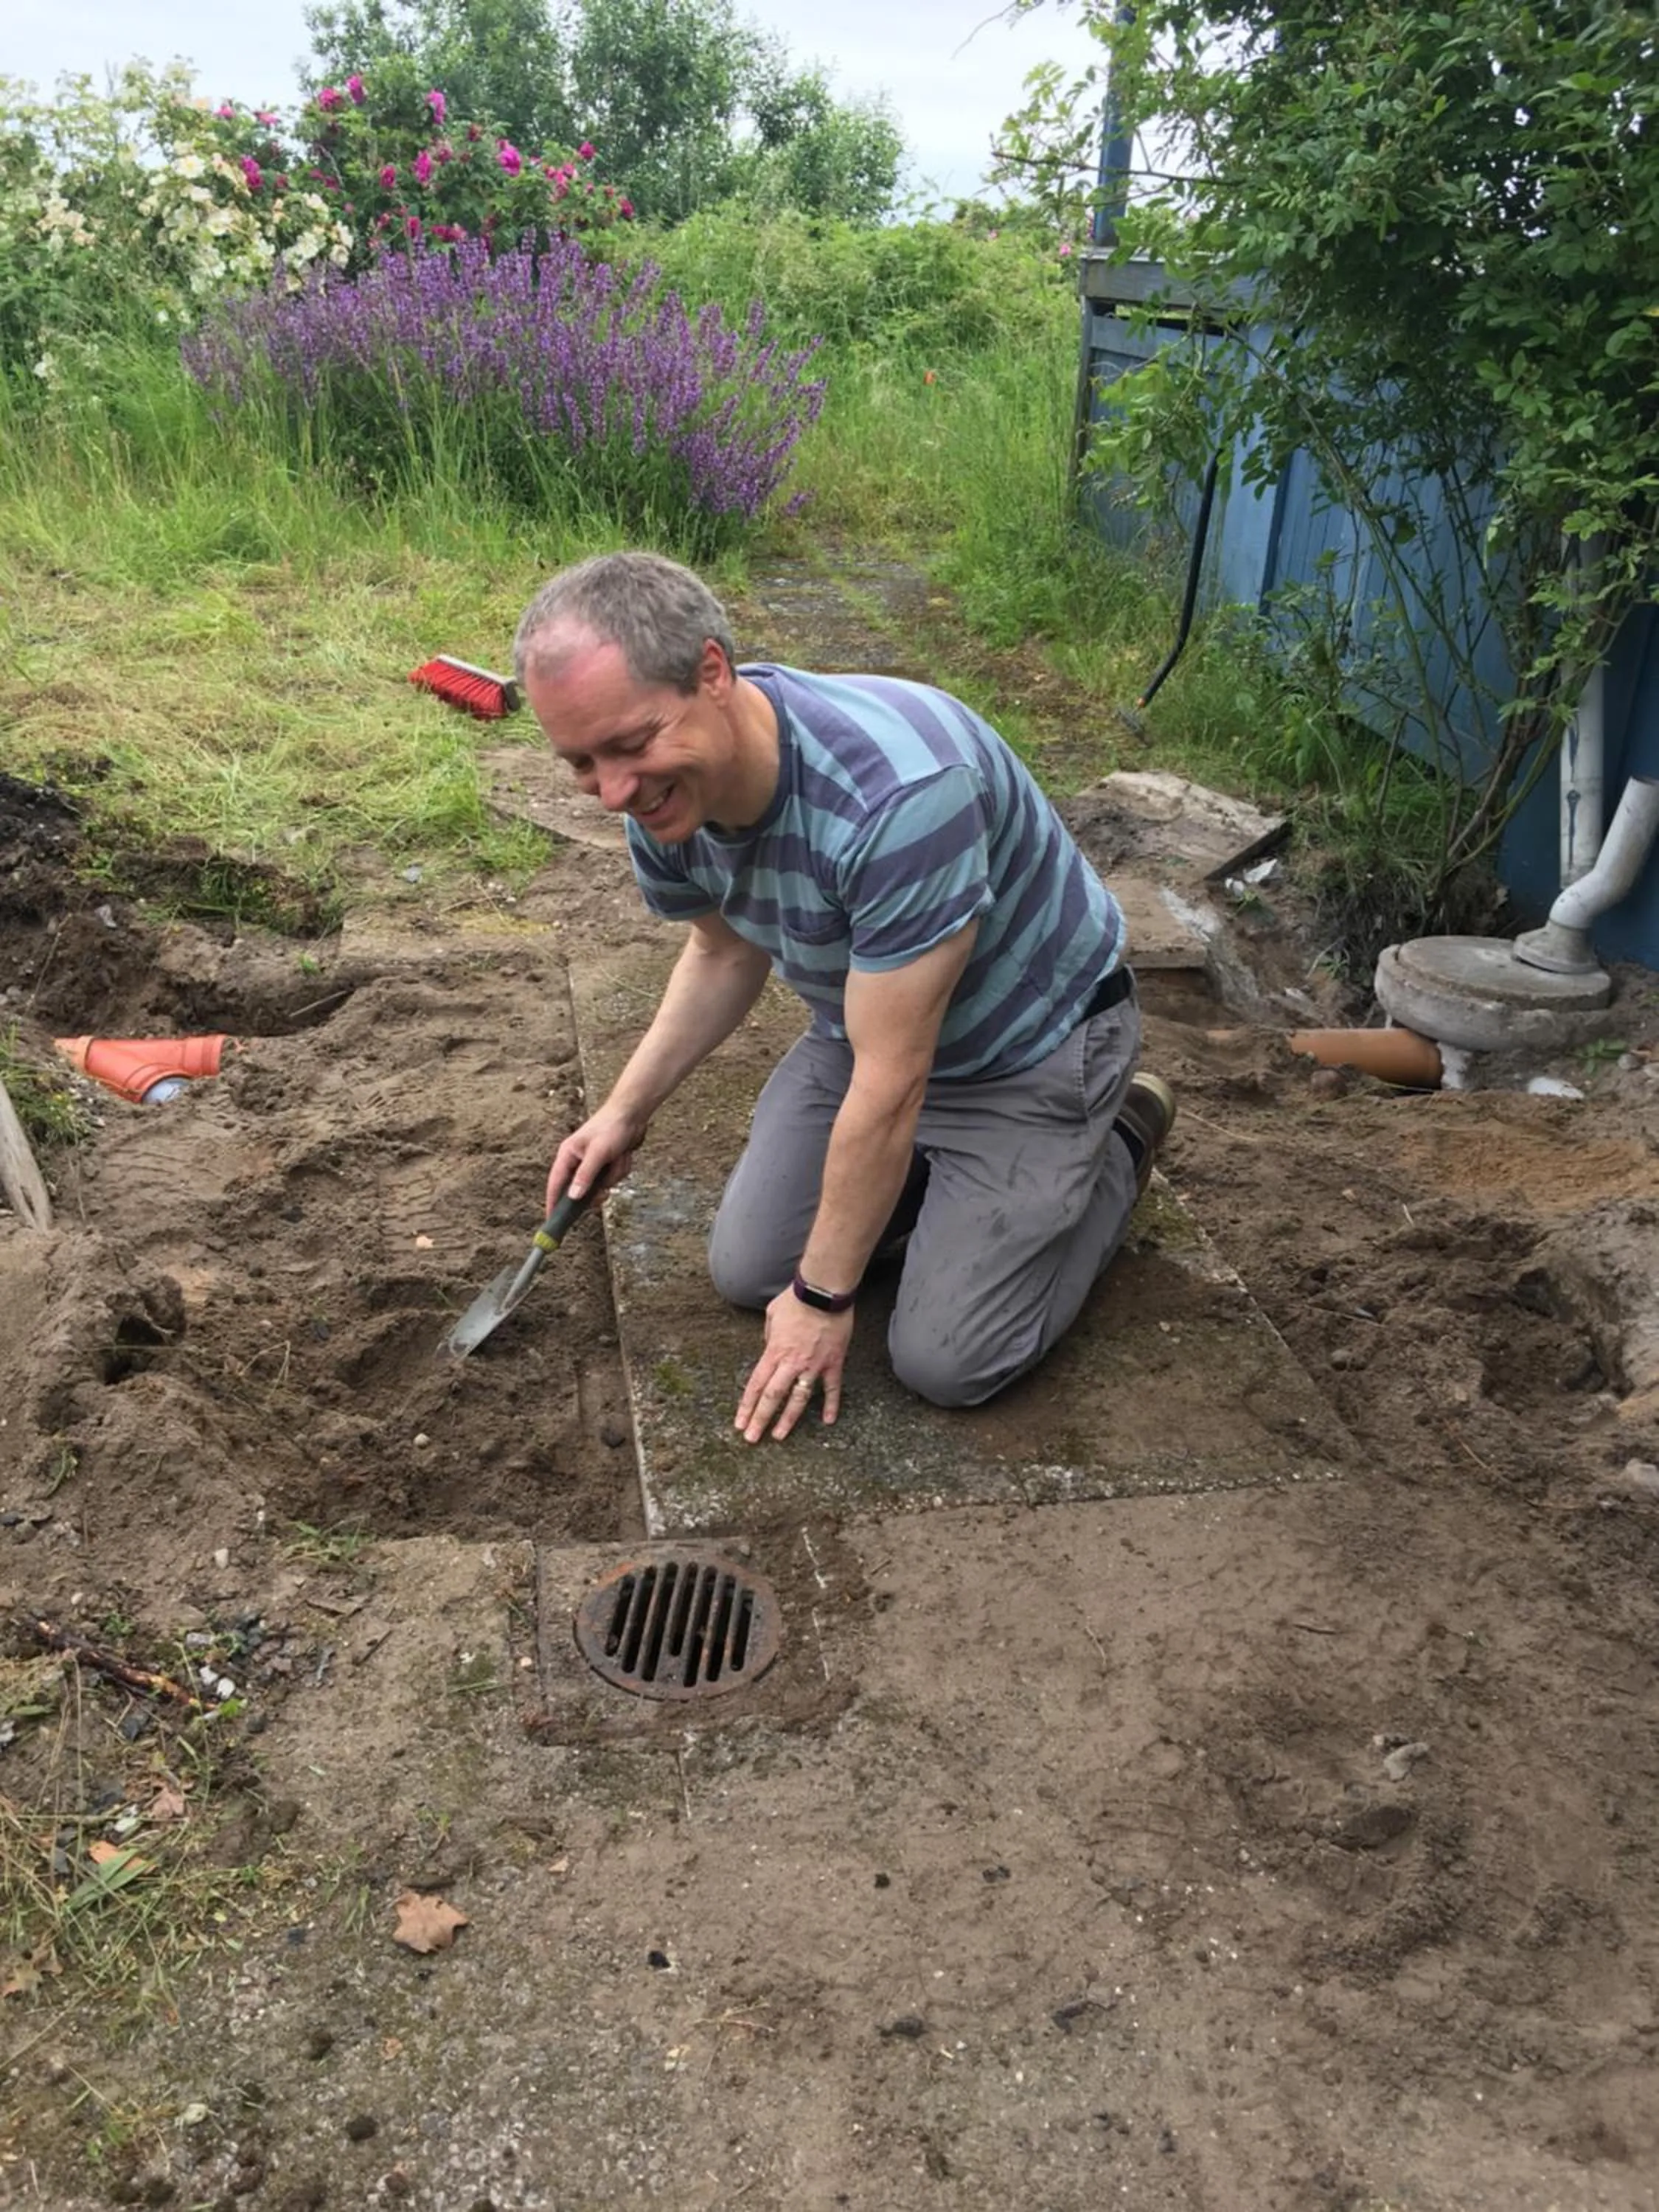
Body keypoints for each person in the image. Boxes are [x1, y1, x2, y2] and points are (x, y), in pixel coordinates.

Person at [515, 550, 1175, 1444]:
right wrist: (625, 1112)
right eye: (582, 762)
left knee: (947, 1362)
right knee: (750, 1272)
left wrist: (826, 1297)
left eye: (631, 745)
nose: (614, 792)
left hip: (1026, 1051)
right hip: (866, 1030)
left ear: (714, 672)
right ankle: (930, 1194)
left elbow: (895, 1080)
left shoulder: (898, 799)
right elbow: (720, 951)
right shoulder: (665, 797)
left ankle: (1117, 1141)